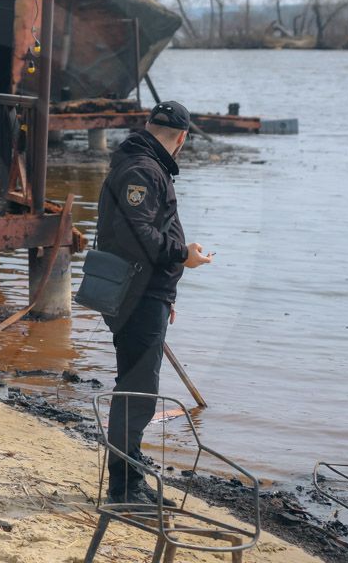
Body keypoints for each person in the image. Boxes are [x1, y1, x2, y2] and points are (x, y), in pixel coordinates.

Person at [94, 100, 214, 503]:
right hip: (137, 296)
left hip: (145, 294)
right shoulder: (143, 170)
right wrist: (183, 255)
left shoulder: (142, 163)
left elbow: (136, 234)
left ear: (148, 125)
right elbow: (136, 236)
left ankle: (131, 478)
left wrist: (166, 294)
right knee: (137, 392)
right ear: (182, 138)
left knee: (137, 389)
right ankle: (123, 488)